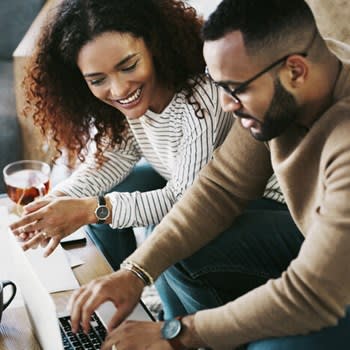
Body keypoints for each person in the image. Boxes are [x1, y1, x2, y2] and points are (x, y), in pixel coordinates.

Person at [64, 0, 350, 349]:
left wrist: (177, 334)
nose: (227, 105)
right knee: (177, 242)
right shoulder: (295, 78)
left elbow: (312, 293)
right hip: (317, 245)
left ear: (295, 71)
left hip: (334, 288)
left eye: (235, 89)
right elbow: (221, 187)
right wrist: (135, 272)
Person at [9, 0, 285, 320]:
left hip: (273, 204)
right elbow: (111, 159)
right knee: (128, 183)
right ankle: (118, 305)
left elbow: (188, 204)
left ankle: (195, 331)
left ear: (154, 43)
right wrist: (55, 202)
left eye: (128, 66)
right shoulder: (132, 102)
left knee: (169, 239)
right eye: (98, 79)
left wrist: (91, 210)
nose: (119, 88)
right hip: (207, 197)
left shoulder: (203, 99)